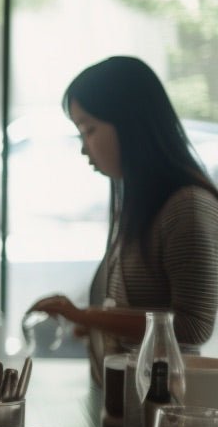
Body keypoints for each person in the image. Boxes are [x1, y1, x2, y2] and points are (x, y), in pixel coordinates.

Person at [29, 56, 218, 378]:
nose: (83, 149)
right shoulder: (139, 204)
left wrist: (88, 316)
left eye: (89, 130)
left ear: (131, 124)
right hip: (126, 403)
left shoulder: (186, 205)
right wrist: (92, 326)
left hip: (163, 408)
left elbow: (193, 326)